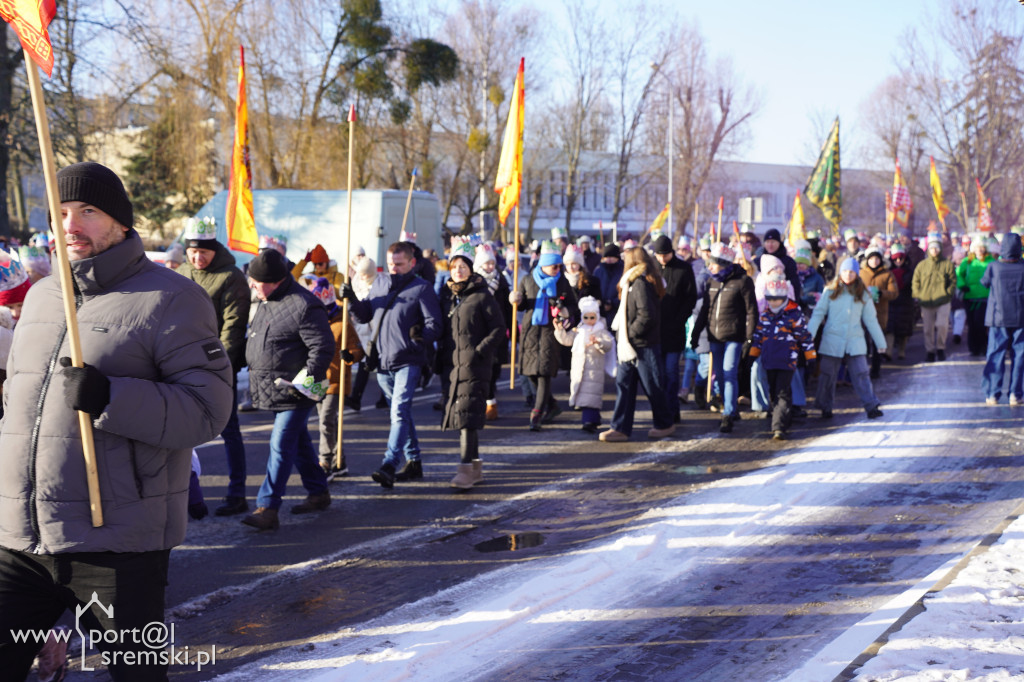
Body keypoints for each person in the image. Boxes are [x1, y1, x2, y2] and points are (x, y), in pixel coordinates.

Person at [0, 161, 233, 680]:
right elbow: (17, 402)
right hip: (20, 540)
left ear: (121, 222)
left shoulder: (172, 298)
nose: (71, 225)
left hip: (115, 544)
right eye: (61, 212)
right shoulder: (40, 297)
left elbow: (207, 410)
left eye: (87, 211)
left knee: (136, 674)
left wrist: (111, 397)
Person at [242, 248, 335, 530]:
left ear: (275, 281)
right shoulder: (267, 299)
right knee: (299, 443)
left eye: (257, 282)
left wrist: (304, 380)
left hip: (296, 391)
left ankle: (267, 507)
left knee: (281, 444)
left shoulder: (304, 304)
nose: (252, 286)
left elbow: (322, 347)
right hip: (274, 387)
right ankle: (318, 491)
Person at [343, 241, 442, 488]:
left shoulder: (422, 288)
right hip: (382, 360)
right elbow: (365, 315)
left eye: (399, 264)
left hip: (408, 360)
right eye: (390, 264)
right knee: (400, 413)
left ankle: (389, 464)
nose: (393, 269)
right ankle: (414, 461)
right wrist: (352, 299)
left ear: (412, 263)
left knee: (398, 412)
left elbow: (435, 324)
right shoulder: (379, 283)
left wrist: (421, 338)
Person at [176, 216, 252, 517]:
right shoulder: (182, 272)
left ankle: (237, 493)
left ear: (214, 249)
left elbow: (233, 327)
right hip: (181, 364)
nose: (197, 257)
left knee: (229, 430)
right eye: (193, 251)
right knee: (180, 431)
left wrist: (219, 367)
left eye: (203, 252)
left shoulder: (231, 277)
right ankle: (184, 493)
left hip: (218, 366)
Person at [438, 238, 506, 489]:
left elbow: (499, 328)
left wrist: (479, 352)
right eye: (454, 267)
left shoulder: (481, 296)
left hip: (474, 366)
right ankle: (475, 468)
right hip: (453, 367)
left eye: (463, 267)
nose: (458, 271)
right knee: (464, 416)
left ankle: (465, 469)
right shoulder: (449, 296)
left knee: (466, 417)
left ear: (471, 269)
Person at [599, 247, 676, 442]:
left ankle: (664, 423)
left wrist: (630, 333)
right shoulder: (631, 282)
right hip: (630, 345)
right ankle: (620, 428)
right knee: (624, 386)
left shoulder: (640, 283)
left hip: (643, 345)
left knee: (653, 386)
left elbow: (646, 315)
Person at [509, 240, 579, 431]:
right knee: (531, 372)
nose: (558, 269)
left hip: (551, 331)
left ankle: (536, 414)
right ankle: (552, 405)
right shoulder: (528, 280)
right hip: (531, 331)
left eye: (559, 266)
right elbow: (522, 306)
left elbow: (573, 305)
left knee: (544, 374)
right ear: (544, 265)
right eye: (554, 266)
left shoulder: (562, 282)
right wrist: (516, 300)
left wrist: (565, 311)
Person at [808, 257, 887, 420]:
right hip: (832, 339)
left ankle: (871, 406)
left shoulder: (863, 294)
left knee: (861, 373)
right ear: (840, 272)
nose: (848, 275)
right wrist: (809, 334)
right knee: (827, 375)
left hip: (854, 340)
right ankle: (825, 406)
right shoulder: (830, 291)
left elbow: (871, 320)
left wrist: (880, 342)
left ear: (857, 274)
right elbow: (818, 313)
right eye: (845, 271)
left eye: (851, 272)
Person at [690, 242, 757, 433]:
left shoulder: (743, 281)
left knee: (729, 373)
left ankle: (727, 414)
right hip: (714, 337)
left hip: (734, 337)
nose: (709, 266)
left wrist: (749, 338)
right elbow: (705, 310)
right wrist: (696, 334)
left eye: (713, 263)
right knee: (719, 376)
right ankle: (732, 407)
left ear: (723, 263)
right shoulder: (711, 282)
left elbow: (752, 312)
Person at [748, 276, 817, 440]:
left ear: (784, 297)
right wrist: (752, 356)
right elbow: (758, 337)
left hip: (787, 360)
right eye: (770, 299)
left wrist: (811, 357)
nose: (773, 302)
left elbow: (804, 337)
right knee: (774, 392)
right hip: (769, 360)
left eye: (777, 299)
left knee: (782, 392)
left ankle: (778, 427)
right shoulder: (765, 315)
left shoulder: (794, 314)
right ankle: (786, 416)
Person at [310, 277, 363, 479]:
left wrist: (350, 356)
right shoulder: (313, 322)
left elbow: (357, 349)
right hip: (317, 380)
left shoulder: (343, 322)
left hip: (336, 380)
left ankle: (325, 461)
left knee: (326, 421)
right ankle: (339, 460)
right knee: (329, 422)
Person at [651, 234, 697, 422]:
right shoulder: (651, 268)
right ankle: (661, 411)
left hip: (675, 330)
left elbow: (690, 297)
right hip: (655, 330)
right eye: (659, 255)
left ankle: (672, 410)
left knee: (671, 372)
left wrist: (680, 319)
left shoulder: (684, 269)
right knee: (658, 374)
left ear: (672, 252)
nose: (662, 259)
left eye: (666, 255)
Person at [556, 295, 614, 432]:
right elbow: (567, 340)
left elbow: (608, 345)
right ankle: (593, 419)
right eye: (586, 317)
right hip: (579, 368)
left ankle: (588, 421)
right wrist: (559, 331)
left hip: (594, 369)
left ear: (597, 316)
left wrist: (598, 342)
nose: (589, 320)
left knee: (591, 396)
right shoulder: (579, 330)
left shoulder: (601, 330)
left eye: (592, 317)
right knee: (584, 396)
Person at [981, 233, 1024, 405]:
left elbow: (984, 283)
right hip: (1021, 318)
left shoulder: (994, 266)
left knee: (995, 354)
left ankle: (993, 393)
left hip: (998, 317)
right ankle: (1016, 394)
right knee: (1019, 356)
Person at [474, 242, 512, 421]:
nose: (490, 267)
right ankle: (488, 402)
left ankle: (490, 396)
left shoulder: (501, 281)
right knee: (482, 368)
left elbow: (507, 307)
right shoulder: (474, 282)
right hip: (481, 331)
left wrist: (511, 327)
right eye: (486, 263)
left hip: (498, 329)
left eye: (492, 263)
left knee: (495, 368)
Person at [912, 233, 957, 362]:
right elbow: (915, 281)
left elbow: (953, 281)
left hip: (943, 300)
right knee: (928, 328)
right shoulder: (922, 265)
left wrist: (948, 293)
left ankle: (941, 348)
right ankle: (930, 351)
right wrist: (918, 295)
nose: (934, 250)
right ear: (928, 250)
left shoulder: (947, 264)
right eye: (932, 248)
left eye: (937, 248)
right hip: (926, 301)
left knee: (942, 325)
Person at [859, 246, 899, 377]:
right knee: (863, 341)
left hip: (880, 313)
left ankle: (875, 370)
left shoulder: (887, 274)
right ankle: (862, 368)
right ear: (867, 260)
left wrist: (882, 293)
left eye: (877, 258)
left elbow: (894, 293)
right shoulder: (861, 273)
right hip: (862, 312)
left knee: (877, 342)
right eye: (871, 259)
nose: (874, 261)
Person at [956, 236, 994, 357]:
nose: (980, 249)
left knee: (981, 323)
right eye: (978, 247)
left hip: (984, 297)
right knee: (972, 324)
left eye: (982, 247)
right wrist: (962, 285)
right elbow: (959, 274)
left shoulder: (991, 261)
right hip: (969, 297)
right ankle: (973, 348)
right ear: (974, 248)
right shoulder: (967, 261)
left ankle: (983, 346)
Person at [886, 243, 916, 360]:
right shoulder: (888, 272)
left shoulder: (909, 272)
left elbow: (913, 286)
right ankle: (888, 351)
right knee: (890, 328)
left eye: (900, 258)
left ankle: (901, 351)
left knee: (903, 329)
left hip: (905, 303)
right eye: (895, 259)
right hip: (891, 302)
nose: (898, 261)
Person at [593, 243, 624, 324]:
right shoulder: (598, 271)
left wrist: (613, 303)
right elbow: (593, 289)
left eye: (611, 257)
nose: (609, 259)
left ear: (617, 257)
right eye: (606, 257)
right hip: (600, 312)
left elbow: (624, 292)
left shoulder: (623, 271)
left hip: (617, 313)